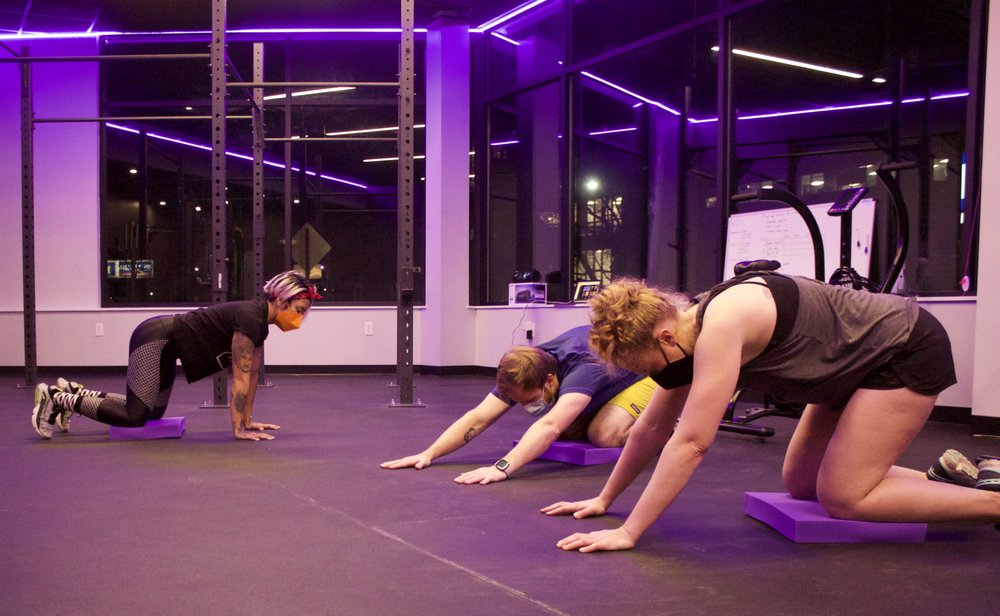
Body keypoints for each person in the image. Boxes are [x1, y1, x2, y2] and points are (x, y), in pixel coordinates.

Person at [543, 273, 1000, 552]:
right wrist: (605, 499)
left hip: (900, 351)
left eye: (650, 368)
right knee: (802, 483)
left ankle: (993, 502)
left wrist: (630, 531)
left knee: (843, 498)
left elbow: (692, 442)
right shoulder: (682, 335)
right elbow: (652, 425)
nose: (656, 377)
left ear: (664, 337)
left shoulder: (721, 325)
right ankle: (948, 481)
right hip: (842, 370)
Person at [31, 270, 320, 442]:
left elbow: (253, 376)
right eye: (298, 310)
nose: (299, 319)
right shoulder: (250, 318)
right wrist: (237, 430)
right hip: (154, 339)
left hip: (169, 348)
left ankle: (77, 393)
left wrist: (249, 420)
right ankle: (56, 398)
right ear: (280, 299)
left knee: (151, 413)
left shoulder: (259, 326)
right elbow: (240, 379)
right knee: (135, 417)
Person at [381, 325, 657, 484]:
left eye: (531, 400)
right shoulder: (525, 369)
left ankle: (666, 427)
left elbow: (549, 426)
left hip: (643, 378)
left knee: (603, 434)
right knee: (566, 426)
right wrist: (429, 453)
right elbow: (478, 418)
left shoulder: (585, 368)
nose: (528, 408)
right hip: (602, 385)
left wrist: (502, 467)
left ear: (549, 381)